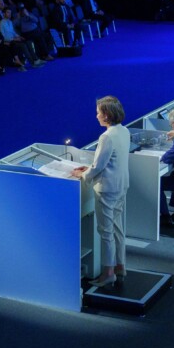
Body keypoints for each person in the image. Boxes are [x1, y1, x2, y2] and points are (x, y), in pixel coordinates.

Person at [73, 96, 130, 288]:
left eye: (98, 112)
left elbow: (98, 167)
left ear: (106, 115)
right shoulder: (124, 131)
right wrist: (89, 168)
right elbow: (110, 161)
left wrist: (83, 175)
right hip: (121, 185)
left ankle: (108, 273)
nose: (96, 115)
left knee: (105, 232)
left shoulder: (106, 137)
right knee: (118, 228)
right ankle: (120, 266)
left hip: (107, 189)